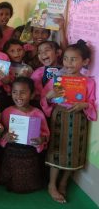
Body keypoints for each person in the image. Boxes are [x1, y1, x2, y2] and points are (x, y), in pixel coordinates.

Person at [41, 40, 96, 203]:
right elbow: (45, 100)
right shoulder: (57, 78)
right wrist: (49, 96)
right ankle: (52, 185)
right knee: (57, 149)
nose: (68, 63)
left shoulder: (89, 82)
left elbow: (91, 102)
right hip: (59, 117)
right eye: (65, 59)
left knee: (74, 151)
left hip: (79, 119)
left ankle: (64, 183)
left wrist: (84, 104)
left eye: (74, 59)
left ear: (85, 62)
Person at [0, 77, 49, 193]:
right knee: (11, 184)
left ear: (32, 95)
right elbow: (1, 133)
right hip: (12, 151)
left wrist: (41, 140)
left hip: (30, 152)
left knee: (30, 183)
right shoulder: (7, 112)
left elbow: (45, 134)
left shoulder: (37, 113)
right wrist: (5, 138)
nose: (18, 96)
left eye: (23, 92)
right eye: (14, 92)